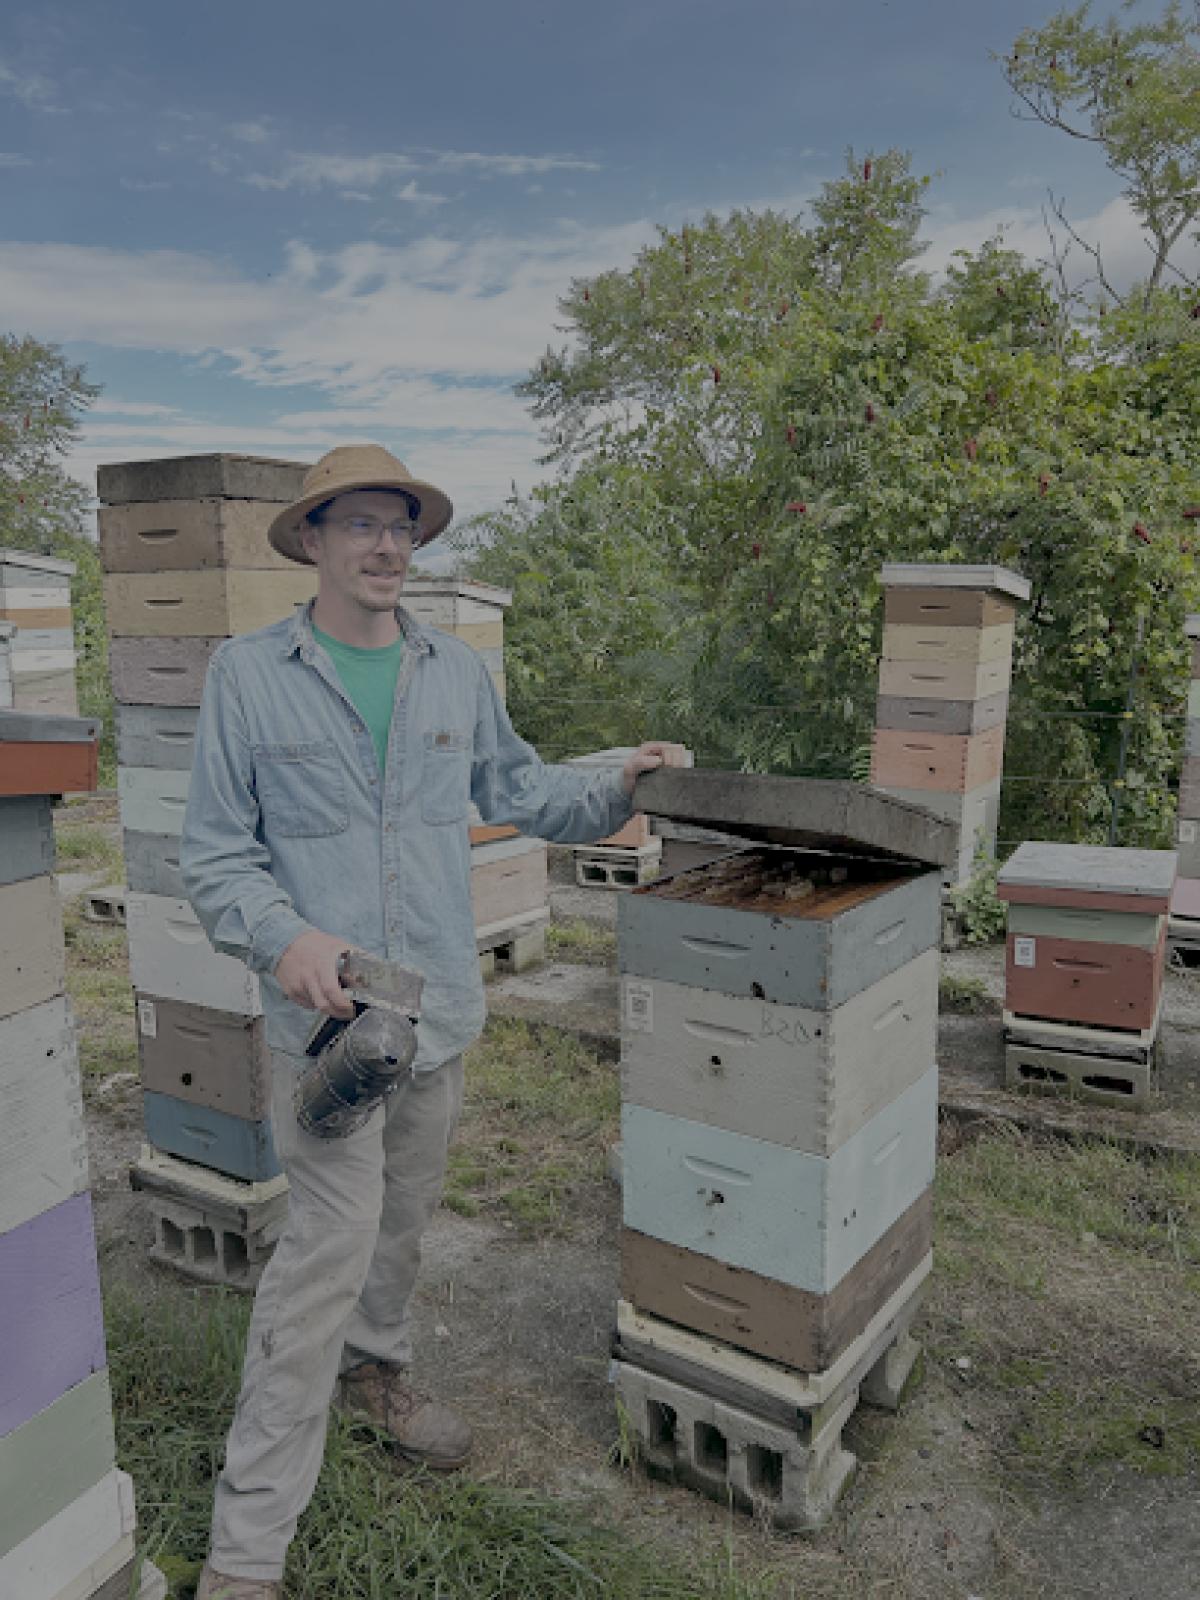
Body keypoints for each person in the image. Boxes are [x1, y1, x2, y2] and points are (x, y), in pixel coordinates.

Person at [181, 444, 684, 1599]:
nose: (386, 545)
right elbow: (212, 855)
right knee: (321, 1258)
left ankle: (376, 1376)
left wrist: (621, 780)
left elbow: (519, 792)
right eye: (359, 524)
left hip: (437, 1016)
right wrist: (284, 936)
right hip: (326, 1036)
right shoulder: (249, 676)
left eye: (401, 525)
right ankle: (248, 1548)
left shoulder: (453, 674)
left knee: (401, 1226)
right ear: (311, 542)